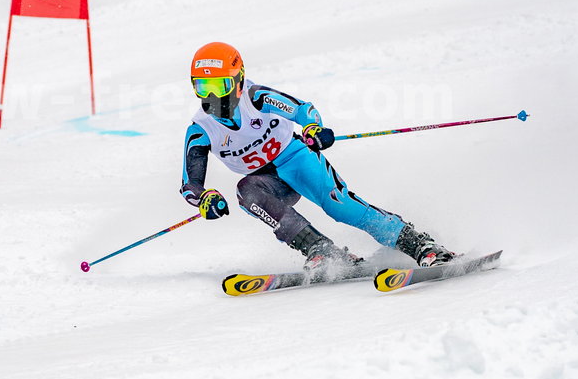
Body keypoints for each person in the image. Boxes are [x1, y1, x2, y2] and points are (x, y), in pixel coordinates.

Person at [180, 41, 455, 273]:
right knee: (246, 194)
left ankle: (418, 243)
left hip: (296, 160)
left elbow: (302, 110)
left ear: (239, 81)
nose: (213, 96)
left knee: (340, 206)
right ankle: (321, 251)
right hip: (267, 185)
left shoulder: (257, 97)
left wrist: (314, 128)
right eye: (203, 87)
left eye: (221, 85)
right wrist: (204, 198)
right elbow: (190, 185)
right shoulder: (201, 129)